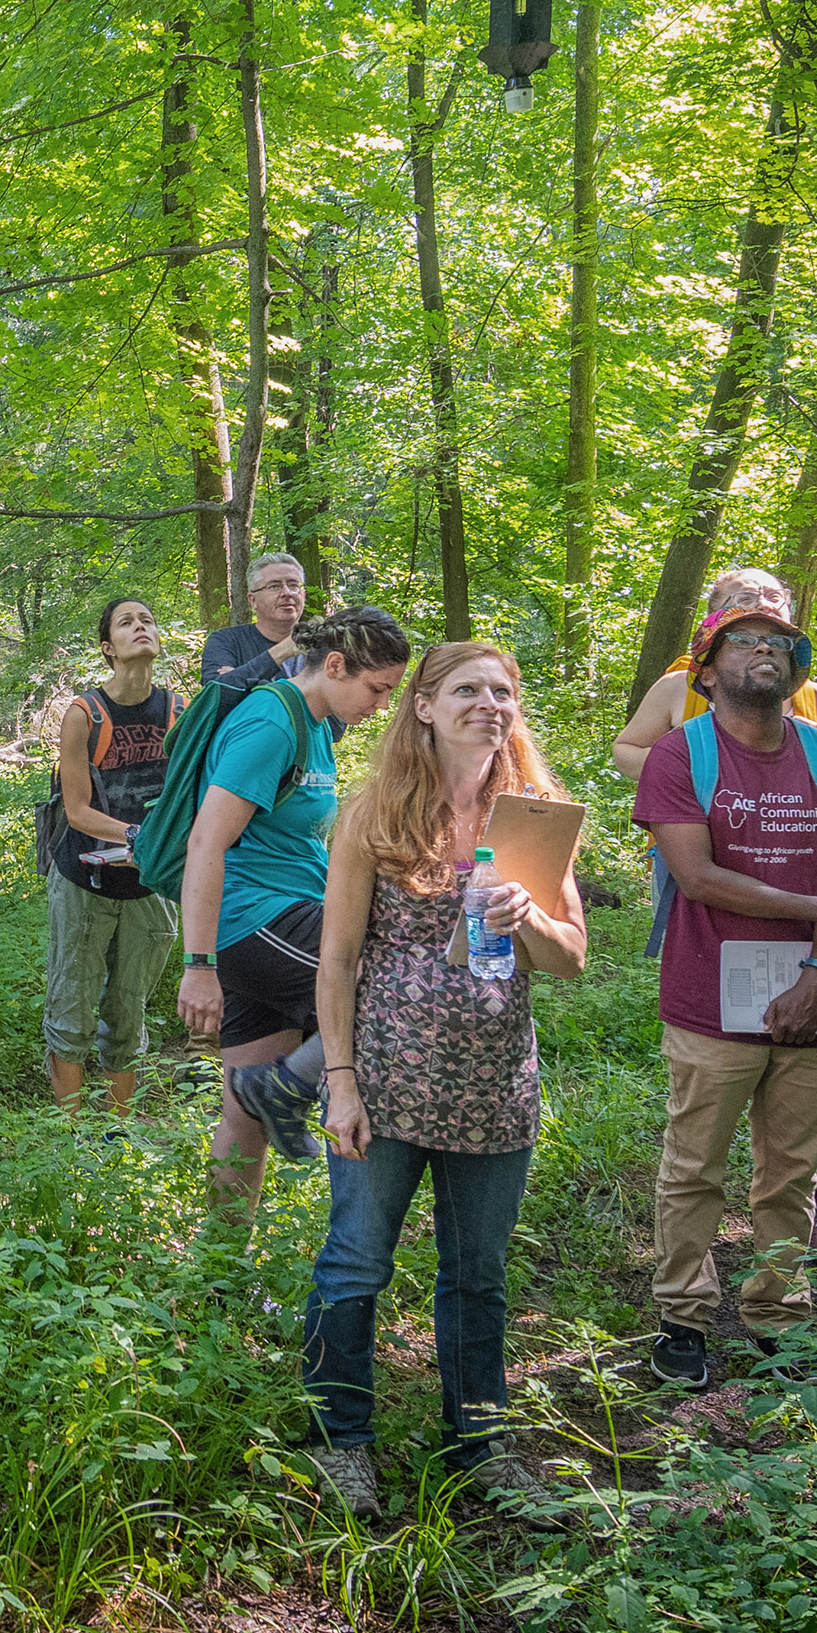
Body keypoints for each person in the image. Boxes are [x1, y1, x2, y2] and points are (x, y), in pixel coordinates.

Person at [301, 643, 588, 1519]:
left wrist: (528, 914)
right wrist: (340, 1079)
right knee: (355, 1261)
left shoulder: (535, 820)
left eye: (503, 691)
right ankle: (339, 1442)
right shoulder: (374, 814)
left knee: (479, 1273)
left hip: (493, 1082)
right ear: (423, 705)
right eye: (467, 689)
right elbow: (338, 959)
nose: (488, 705)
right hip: (387, 1077)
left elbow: (570, 957)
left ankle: (480, 1445)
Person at [632, 602, 817, 1389]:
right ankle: (683, 1317)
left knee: (791, 1174)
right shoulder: (680, 754)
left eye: (779, 643)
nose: (765, 651)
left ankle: (778, 1316)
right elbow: (698, 877)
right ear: (705, 671)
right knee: (694, 1167)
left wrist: (816, 973)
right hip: (709, 999)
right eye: (745, 641)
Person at [175, 606, 412, 1225]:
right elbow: (207, 843)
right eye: (376, 688)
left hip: (281, 920)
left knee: (242, 1115)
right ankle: (289, 1085)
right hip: (254, 921)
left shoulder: (315, 726)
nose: (382, 704)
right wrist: (198, 965)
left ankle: (220, 1272)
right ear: (334, 666)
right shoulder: (271, 724)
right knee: (391, 983)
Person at [45, 597, 183, 1112]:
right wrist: (138, 837)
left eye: (147, 619)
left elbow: (185, 794)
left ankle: (117, 1137)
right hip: (85, 880)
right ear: (109, 648)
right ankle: (73, 1141)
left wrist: (164, 846)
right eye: (127, 623)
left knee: (129, 1011)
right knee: (71, 1009)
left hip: (150, 885)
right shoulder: (84, 715)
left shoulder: (177, 711)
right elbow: (77, 810)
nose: (140, 627)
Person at [611, 566, 817, 783]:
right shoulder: (677, 687)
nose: (764, 605)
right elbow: (625, 752)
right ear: (714, 618)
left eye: (775, 597)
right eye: (746, 598)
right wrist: (683, 756)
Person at [200, 551, 310, 690]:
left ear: (304, 595)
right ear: (253, 600)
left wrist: (246, 683)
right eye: (274, 586)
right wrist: (283, 650)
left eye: (293, 585)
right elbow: (215, 694)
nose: (287, 593)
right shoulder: (226, 641)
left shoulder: (322, 645)